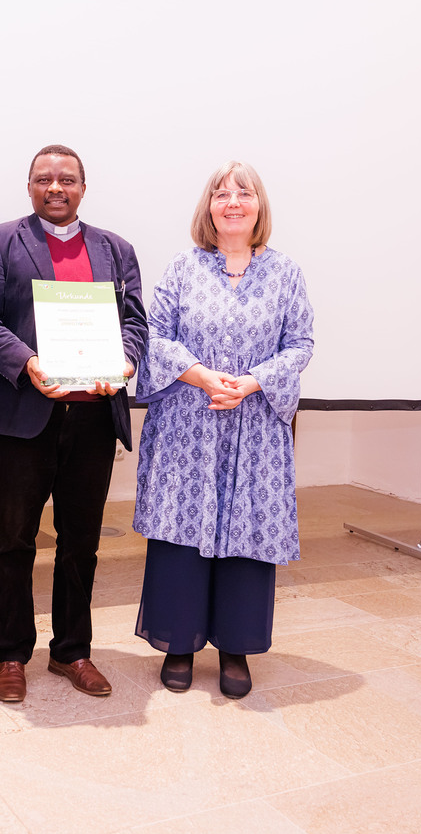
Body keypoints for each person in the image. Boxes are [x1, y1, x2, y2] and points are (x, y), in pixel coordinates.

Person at [0, 144, 147, 702]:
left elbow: (134, 323)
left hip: (92, 421)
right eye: (44, 179)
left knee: (80, 543)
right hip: (25, 417)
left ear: (83, 189)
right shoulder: (0, 241)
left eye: (67, 179)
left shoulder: (116, 249)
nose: (56, 188)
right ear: (29, 188)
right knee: (15, 540)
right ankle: (11, 653)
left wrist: (125, 362)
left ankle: (72, 650)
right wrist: (27, 362)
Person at [131, 160, 314, 698]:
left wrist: (252, 383)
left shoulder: (286, 273)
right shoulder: (183, 268)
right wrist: (203, 376)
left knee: (247, 531)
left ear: (259, 206)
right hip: (188, 425)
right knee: (181, 531)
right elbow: (154, 335)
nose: (232, 202)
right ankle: (178, 642)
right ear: (208, 207)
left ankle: (236, 647)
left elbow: (300, 344)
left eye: (244, 193)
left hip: (255, 428)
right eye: (221, 194)